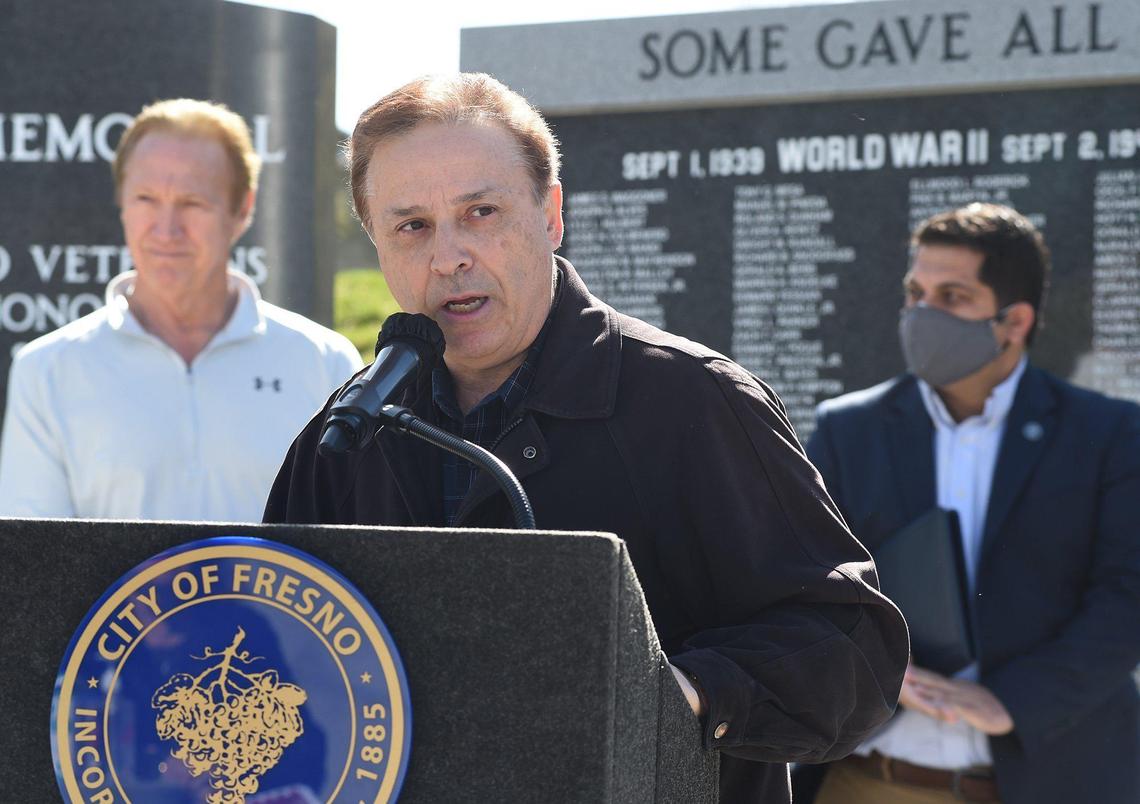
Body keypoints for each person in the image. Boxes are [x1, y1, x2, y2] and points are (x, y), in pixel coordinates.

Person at [263, 72, 909, 802]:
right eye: (412, 226)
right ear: (377, 244)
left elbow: (853, 653)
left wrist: (678, 695)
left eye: (481, 212)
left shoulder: (695, 401)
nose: (448, 257)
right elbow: (278, 648)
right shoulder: (348, 434)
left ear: (552, 214)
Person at [805, 203, 1140, 803]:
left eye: (953, 297)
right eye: (916, 292)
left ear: (1014, 322)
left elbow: (1127, 598)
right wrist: (873, 666)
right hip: (872, 779)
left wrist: (1013, 701)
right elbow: (808, 578)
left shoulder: (1110, 435)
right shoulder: (849, 429)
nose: (922, 314)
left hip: (1053, 781)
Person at [0, 98, 362, 521]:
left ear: (242, 209)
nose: (167, 228)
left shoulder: (326, 363)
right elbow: (34, 563)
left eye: (192, 202)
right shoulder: (46, 371)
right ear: (122, 203)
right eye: (146, 198)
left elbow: (348, 548)